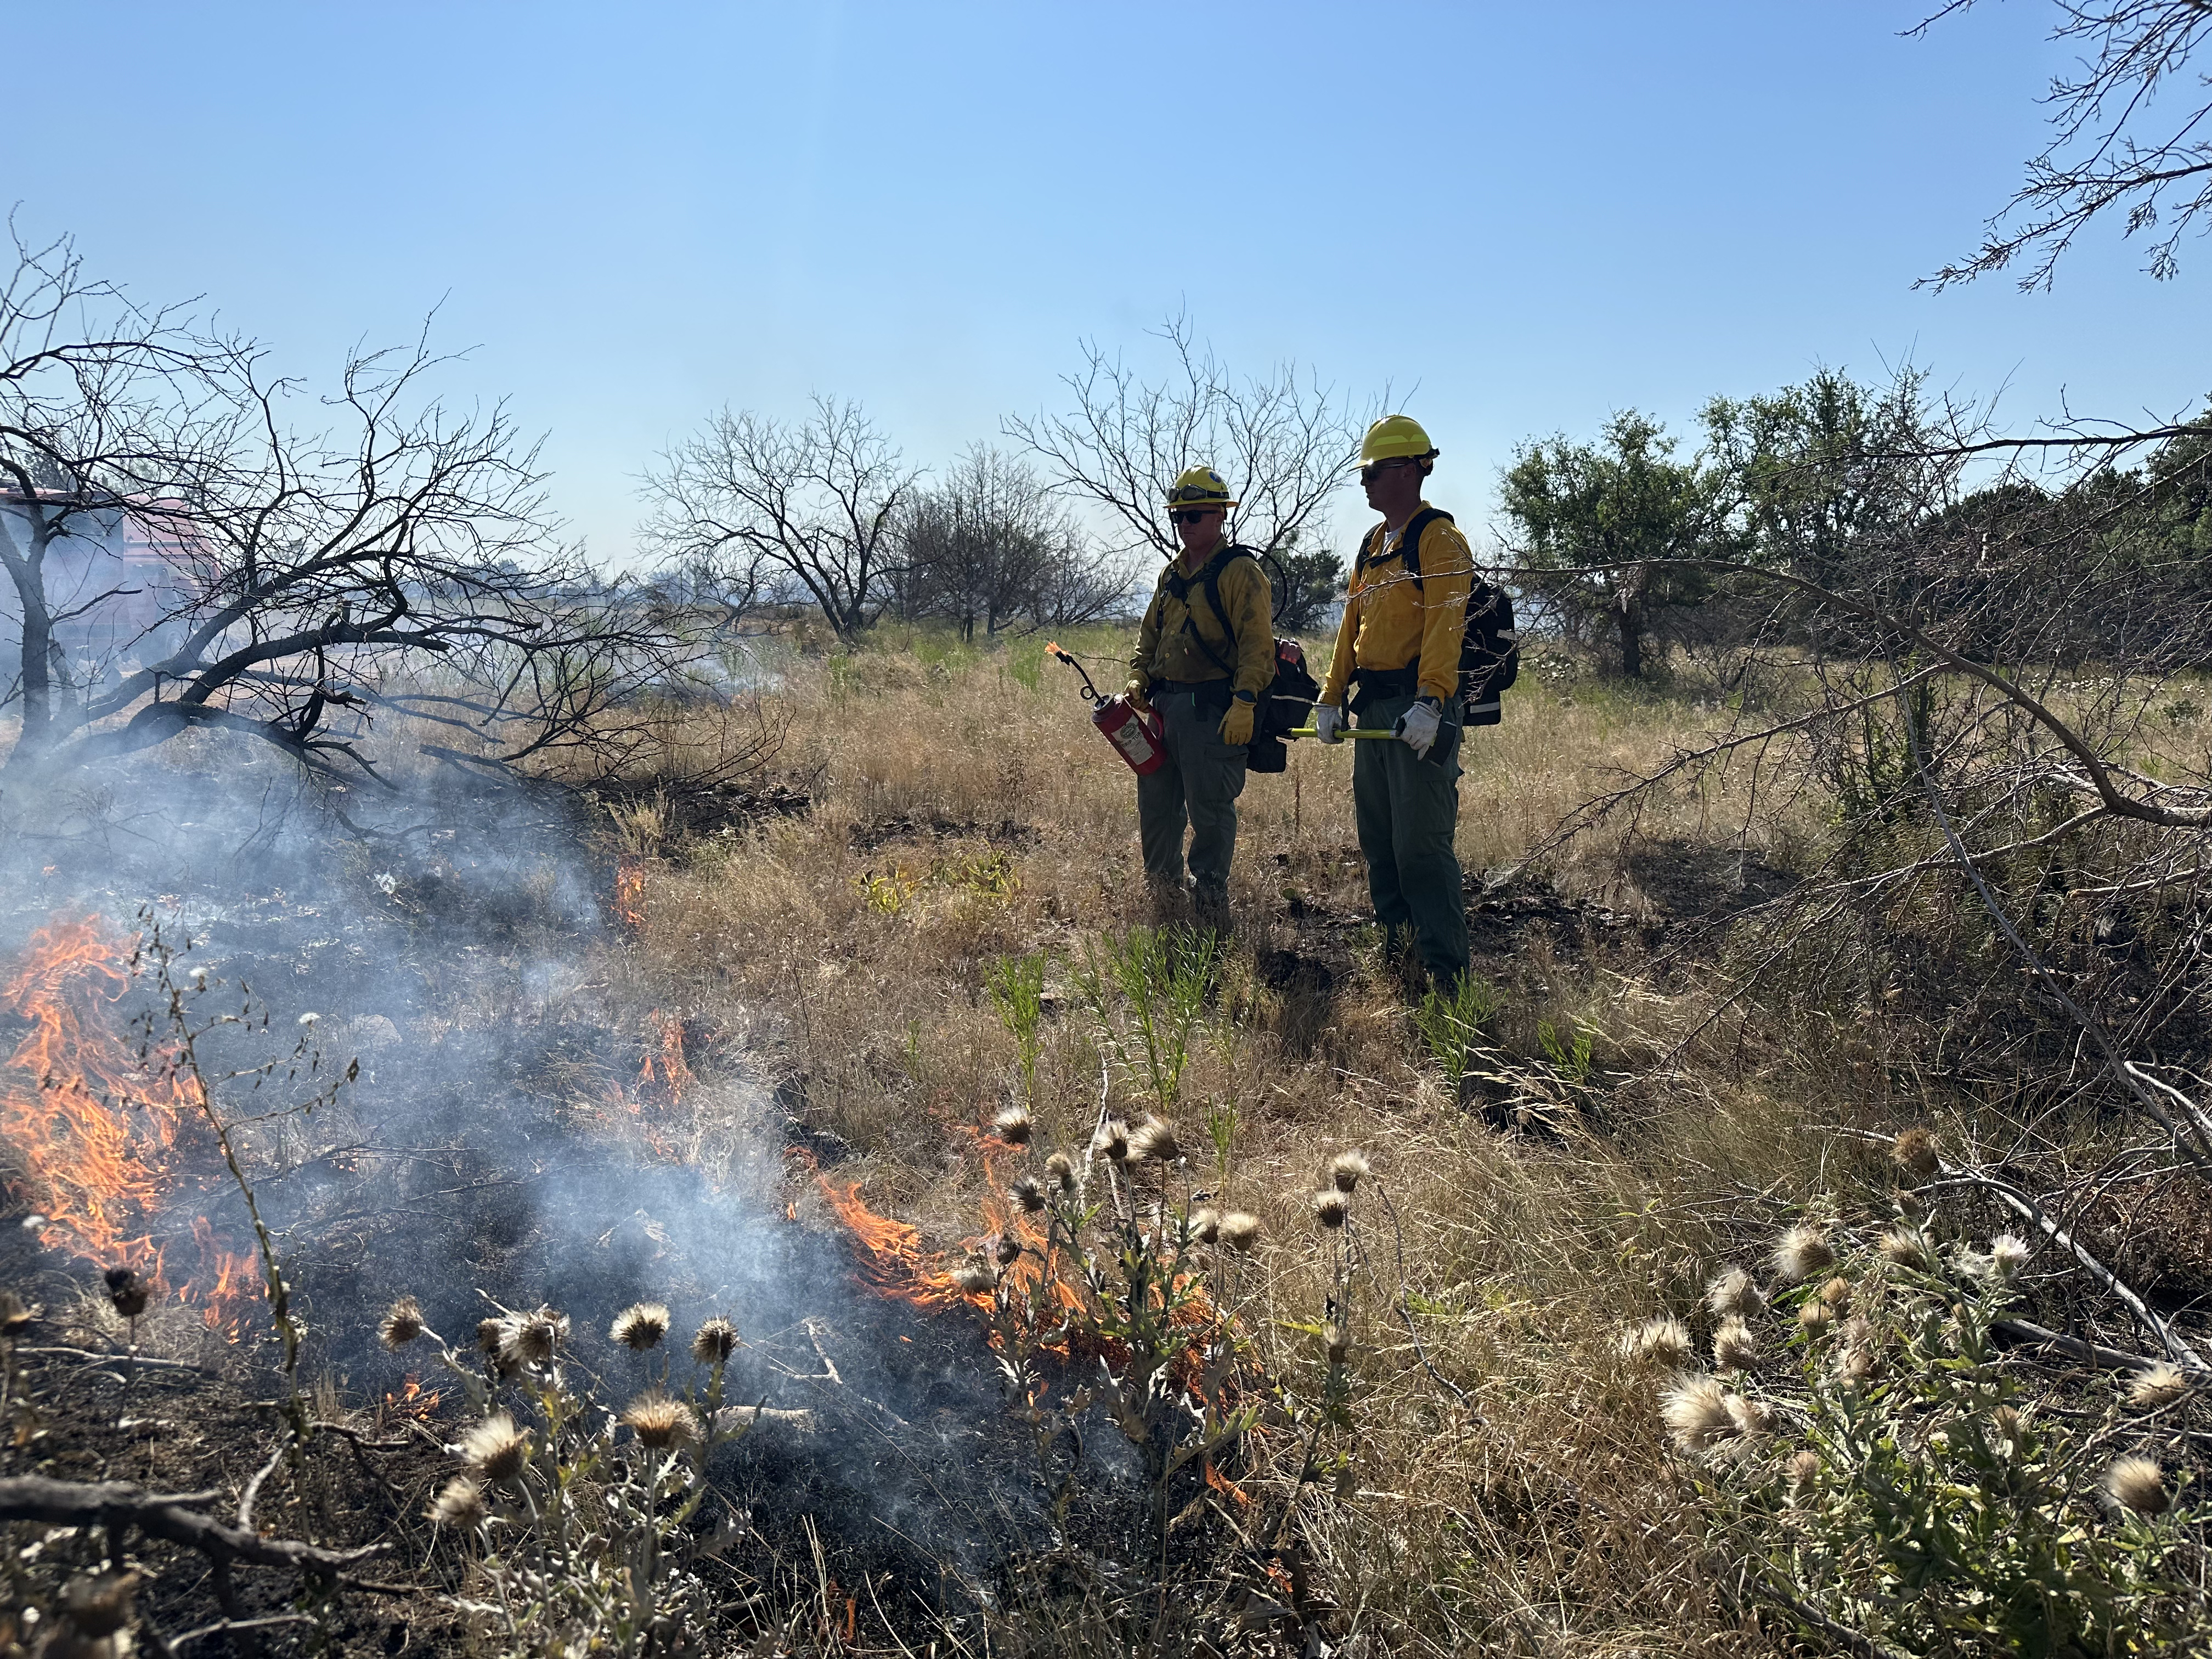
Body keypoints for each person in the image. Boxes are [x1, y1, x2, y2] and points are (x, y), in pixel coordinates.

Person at [1313, 416, 1473, 991]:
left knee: (1421, 850)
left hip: (1418, 712)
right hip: (1374, 712)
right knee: (1380, 847)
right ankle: (1400, 963)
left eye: (1373, 472)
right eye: (1364, 473)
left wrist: (1431, 702)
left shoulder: (1439, 539)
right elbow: (1350, 626)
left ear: (1408, 470)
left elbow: (1445, 629)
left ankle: (1447, 979)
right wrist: (1331, 695)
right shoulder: (1372, 544)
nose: (1365, 482)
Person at [1124, 466, 1276, 926]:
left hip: (1211, 712)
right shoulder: (1171, 575)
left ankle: (1210, 909)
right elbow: (1149, 638)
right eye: (1179, 516)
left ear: (1220, 516)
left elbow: (1257, 647)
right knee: (1157, 808)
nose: (1185, 524)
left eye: (1195, 515)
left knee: (1209, 812)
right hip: (1163, 710)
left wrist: (1244, 702)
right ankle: (1164, 902)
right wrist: (1139, 678)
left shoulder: (1240, 572)